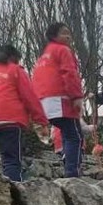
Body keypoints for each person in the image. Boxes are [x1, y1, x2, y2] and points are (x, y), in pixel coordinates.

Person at [0, 44, 48, 181]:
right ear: (14, 57)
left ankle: (8, 182)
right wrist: (41, 121)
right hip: (9, 121)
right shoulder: (15, 71)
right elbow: (30, 97)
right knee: (11, 160)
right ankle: (14, 194)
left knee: (6, 156)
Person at [32, 22, 86, 177]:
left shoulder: (43, 57)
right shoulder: (63, 50)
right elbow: (69, 73)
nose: (68, 36)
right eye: (64, 32)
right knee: (75, 136)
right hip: (61, 99)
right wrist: (76, 96)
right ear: (54, 36)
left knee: (67, 133)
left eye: (69, 32)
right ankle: (72, 173)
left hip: (44, 101)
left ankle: (68, 164)